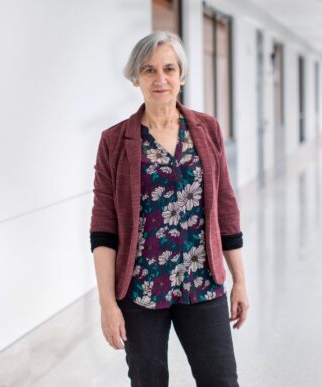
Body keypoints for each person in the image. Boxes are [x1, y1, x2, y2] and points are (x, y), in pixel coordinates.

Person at [89, 31, 250, 387]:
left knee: (222, 381)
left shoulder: (206, 130)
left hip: (203, 281)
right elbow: (103, 229)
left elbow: (226, 208)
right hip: (141, 288)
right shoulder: (114, 142)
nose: (160, 79)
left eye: (168, 69)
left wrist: (240, 281)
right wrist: (107, 304)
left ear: (182, 75)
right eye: (149, 70)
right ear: (136, 77)